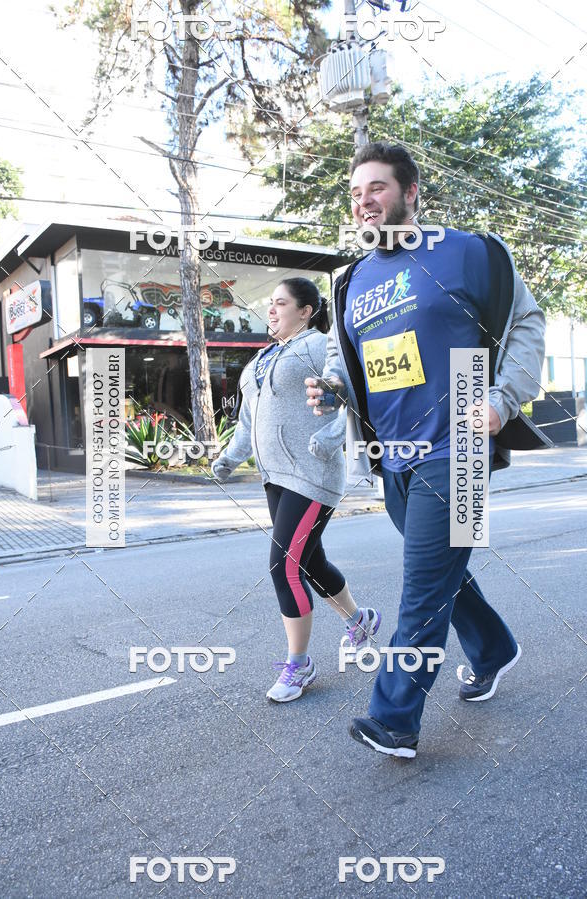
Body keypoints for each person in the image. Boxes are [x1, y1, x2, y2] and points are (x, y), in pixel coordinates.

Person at [306, 142, 546, 757]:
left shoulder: (467, 253)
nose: (365, 202)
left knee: (420, 585)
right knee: (444, 570)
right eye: (357, 194)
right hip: (394, 457)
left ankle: (394, 718)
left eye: (378, 189)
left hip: (459, 449)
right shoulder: (352, 282)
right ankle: (494, 648)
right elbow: (344, 357)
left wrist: (500, 400)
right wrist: (332, 389)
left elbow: (526, 321)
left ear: (411, 193)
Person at [212, 277, 382, 702]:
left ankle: (299, 665)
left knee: (283, 565)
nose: (271, 311)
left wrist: (329, 437)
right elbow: (247, 423)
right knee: (310, 562)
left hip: (313, 474)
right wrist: (230, 458)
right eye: (269, 303)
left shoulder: (321, 345)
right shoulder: (260, 360)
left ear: (306, 311)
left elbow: (344, 394)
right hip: (275, 477)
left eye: (281, 304)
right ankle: (359, 621)